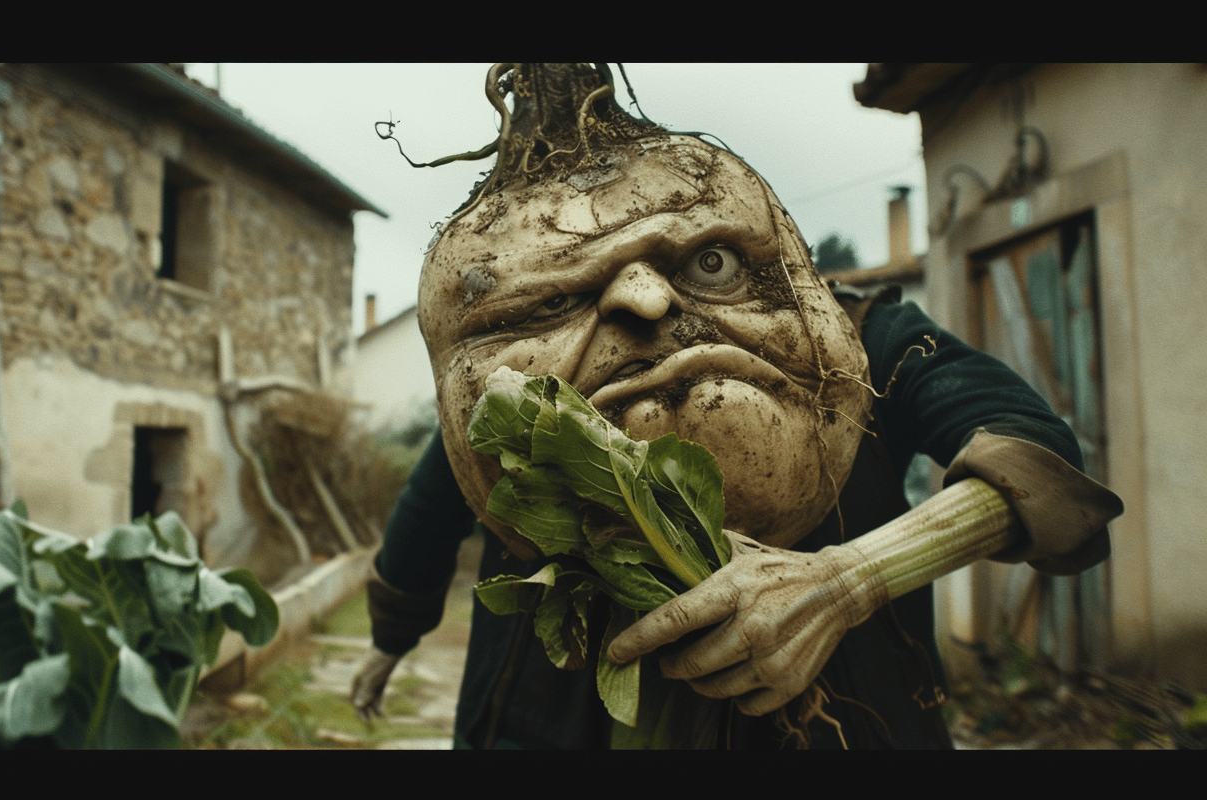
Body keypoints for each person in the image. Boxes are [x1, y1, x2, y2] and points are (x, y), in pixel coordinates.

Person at [351, 63, 1122, 749]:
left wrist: (845, 583)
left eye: (709, 262)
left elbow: (1045, 470)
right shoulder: (511, 404)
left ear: (796, 267)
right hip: (550, 716)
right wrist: (391, 635)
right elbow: (432, 503)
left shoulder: (872, 342)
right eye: (555, 298)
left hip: (853, 720)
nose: (648, 302)